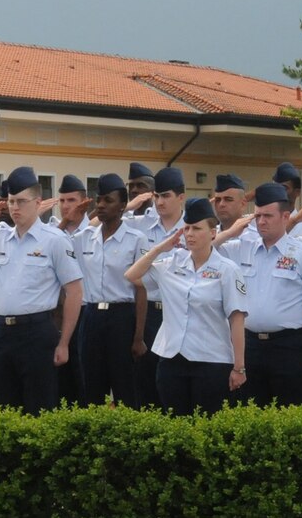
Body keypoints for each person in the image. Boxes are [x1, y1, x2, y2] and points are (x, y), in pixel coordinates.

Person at [0, 167, 84, 414]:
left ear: (37, 203)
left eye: (21, 202)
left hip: (38, 332)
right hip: (2, 333)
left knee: (39, 407)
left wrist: (64, 342)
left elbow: (75, 292)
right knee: (5, 407)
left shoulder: (54, 240)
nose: (15, 208)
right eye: (11, 202)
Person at [124, 196, 247, 415]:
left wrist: (239, 366)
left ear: (212, 233)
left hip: (211, 360)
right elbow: (132, 275)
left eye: (197, 228)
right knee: (174, 425)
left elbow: (236, 318)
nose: (190, 234)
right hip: (172, 359)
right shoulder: (171, 264)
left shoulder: (227, 270)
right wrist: (161, 248)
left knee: (205, 429)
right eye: (187, 228)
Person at [217, 180, 302, 406]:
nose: (261, 222)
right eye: (257, 216)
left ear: (285, 217)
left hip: (289, 347)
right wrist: (230, 232)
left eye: (267, 216)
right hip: (250, 347)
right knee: (250, 414)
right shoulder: (242, 248)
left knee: (290, 415)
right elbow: (205, 251)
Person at [72, 173, 145, 405]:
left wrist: (139, 336)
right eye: (99, 200)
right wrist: (72, 217)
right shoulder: (84, 238)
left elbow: (141, 290)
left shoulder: (135, 239)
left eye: (108, 200)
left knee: (125, 388)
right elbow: (56, 239)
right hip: (92, 316)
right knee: (92, 389)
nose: (101, 205)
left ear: (123, 205)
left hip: (122, 317)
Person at [131, 167, 190, 406]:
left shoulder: (193, 228)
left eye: (166, 196)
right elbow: (94, 225)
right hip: (149, 312)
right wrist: (128, 206)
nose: (159, 201)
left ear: (181, 197)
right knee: (146, 382)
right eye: (156, 196)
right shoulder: (140, 225)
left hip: (179, 313)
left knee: (176, 383)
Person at [51, 174, 91, 403]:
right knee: (60, 379)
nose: (66, 206)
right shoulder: (53, 230)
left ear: (84, 202)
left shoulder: (94, 231)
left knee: (83, 376)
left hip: (86, 311)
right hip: (58, 312)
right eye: (62, 200)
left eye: (72, 200)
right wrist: (64, 224)